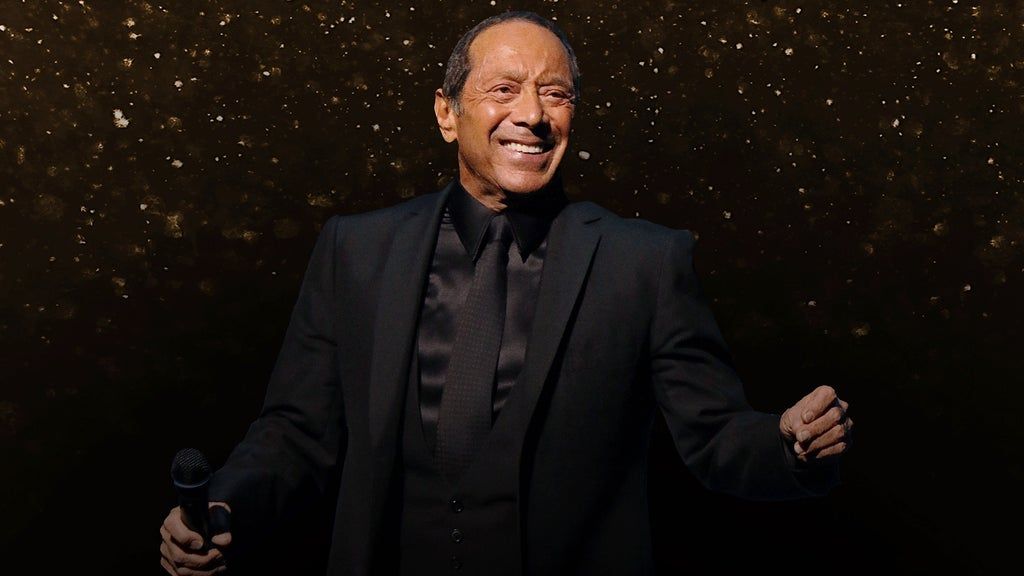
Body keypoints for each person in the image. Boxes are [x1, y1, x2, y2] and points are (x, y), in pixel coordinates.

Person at [159, 11, 853, 576]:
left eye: (556, 94)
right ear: (446, 113)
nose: (533, 115)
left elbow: (716, 436)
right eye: (504, 90)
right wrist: (226, 504)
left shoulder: (644, 262)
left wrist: (787, 446)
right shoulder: (356, 251)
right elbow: (296, 432)